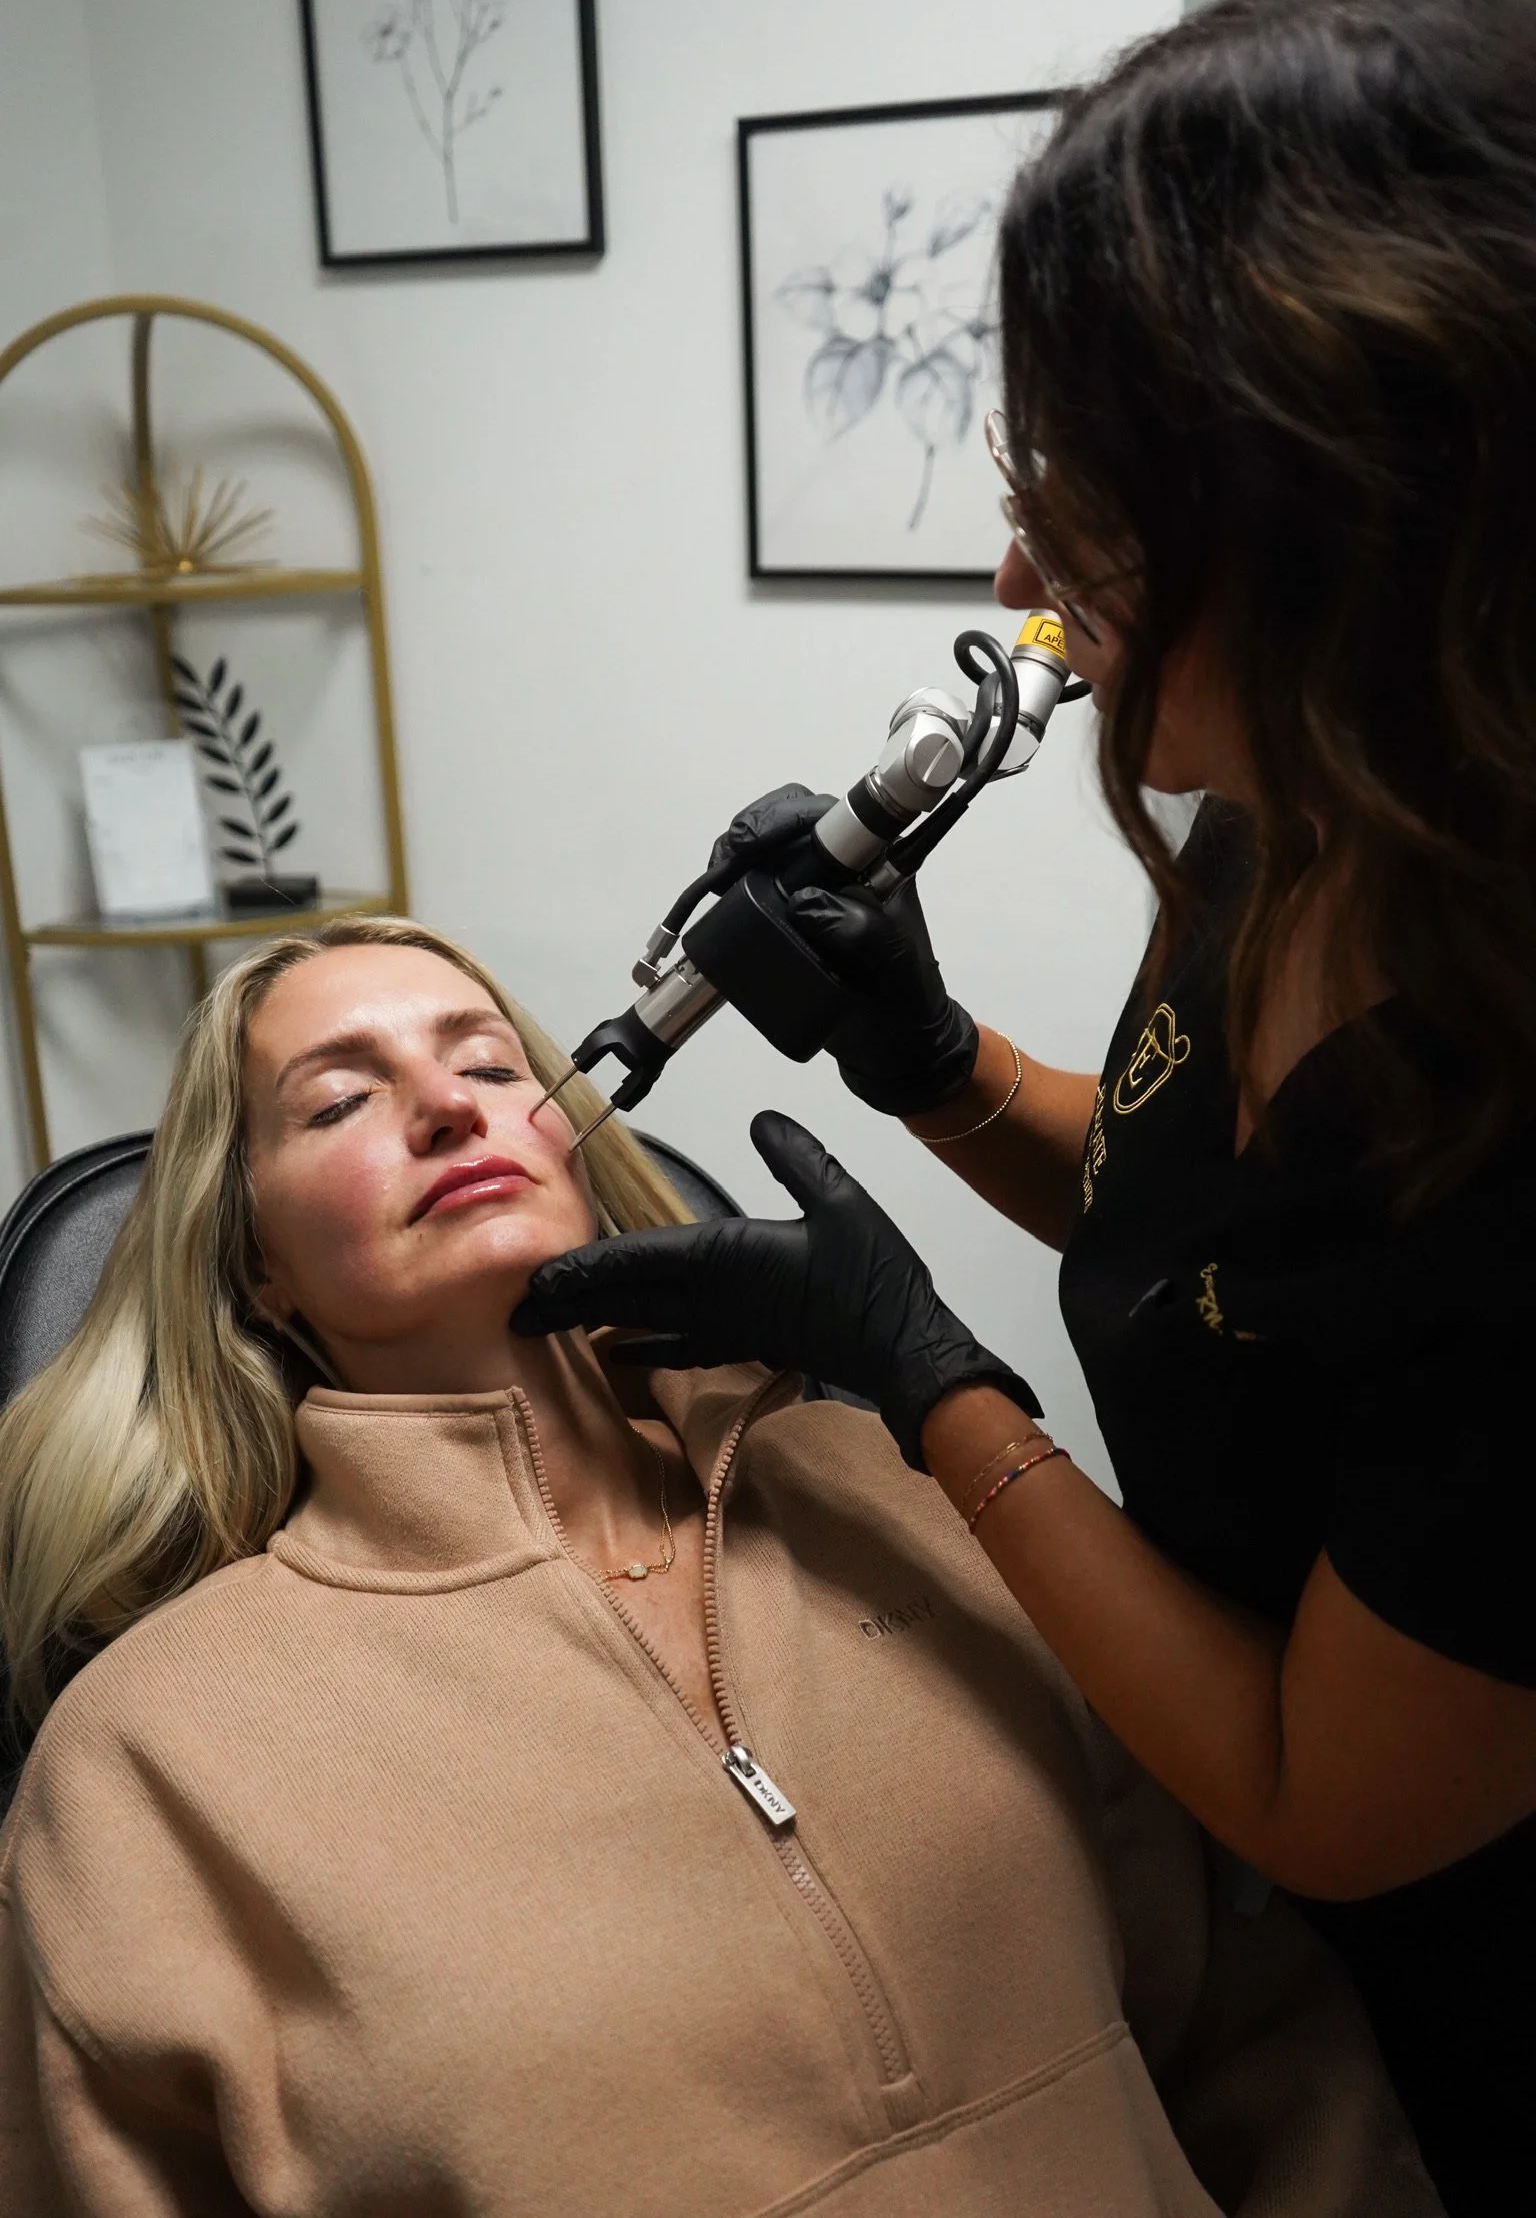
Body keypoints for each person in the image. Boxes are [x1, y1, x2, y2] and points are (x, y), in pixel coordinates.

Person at [511, 0, 1536, 2217]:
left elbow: (1320, 1785)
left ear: (1339, 518)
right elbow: (1229, 1252)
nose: (1016, 569)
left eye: (1094, 501)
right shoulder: (1305, 814)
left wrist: (924, 1381)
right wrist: (934, 1056)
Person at [0, 917, 1433, 2215]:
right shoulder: (148, 1761)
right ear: (258, 1268)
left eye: (492, 1065)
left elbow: (1258, 2043)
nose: (447, 1108)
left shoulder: (899, 1491)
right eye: (339, 1100)